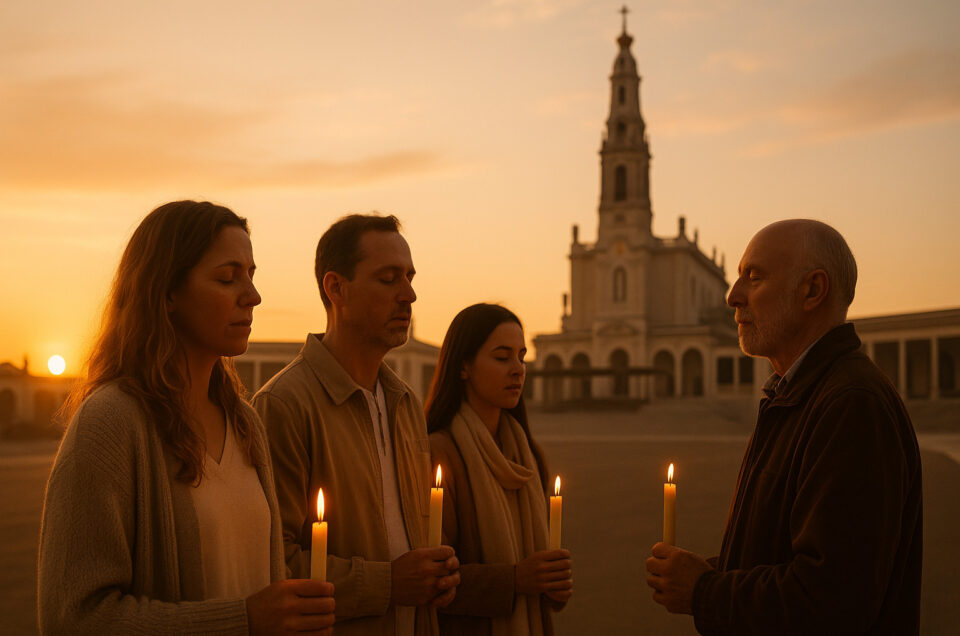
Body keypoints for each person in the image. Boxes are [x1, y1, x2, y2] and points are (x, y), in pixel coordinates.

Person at [38, 201, 335, 635]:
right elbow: (74, 619)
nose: (252, 296)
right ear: (167, 293)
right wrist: (245, 620)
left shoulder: (244, 423)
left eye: (251, 275)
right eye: (227, 277)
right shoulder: (110, 424)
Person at [645, 219, 922, 635]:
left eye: (753, 277)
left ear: (812, 290)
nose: (732, 296)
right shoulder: (796, 395)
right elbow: (788, 555)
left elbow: (831, 601)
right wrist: (715, 573)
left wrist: (705, 591)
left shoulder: (850, 406)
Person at [253, 213, 460, 636]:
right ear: (336, 288)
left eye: (409, 277)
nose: (410, 294)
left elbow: (411, 538)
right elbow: (273, 562)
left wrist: (435, 576)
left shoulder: (404, 403)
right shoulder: (284, 405)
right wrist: (389, 584)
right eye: (388, 279)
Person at [426, 303, 573, 636]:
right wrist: (516, 579)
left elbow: (540, 572)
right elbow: (431, 581)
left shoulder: (527, 456)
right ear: (463, 366)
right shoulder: (439, 454)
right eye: (502, 357)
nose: (518, 369)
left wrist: (553, 585)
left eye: (521, 357)